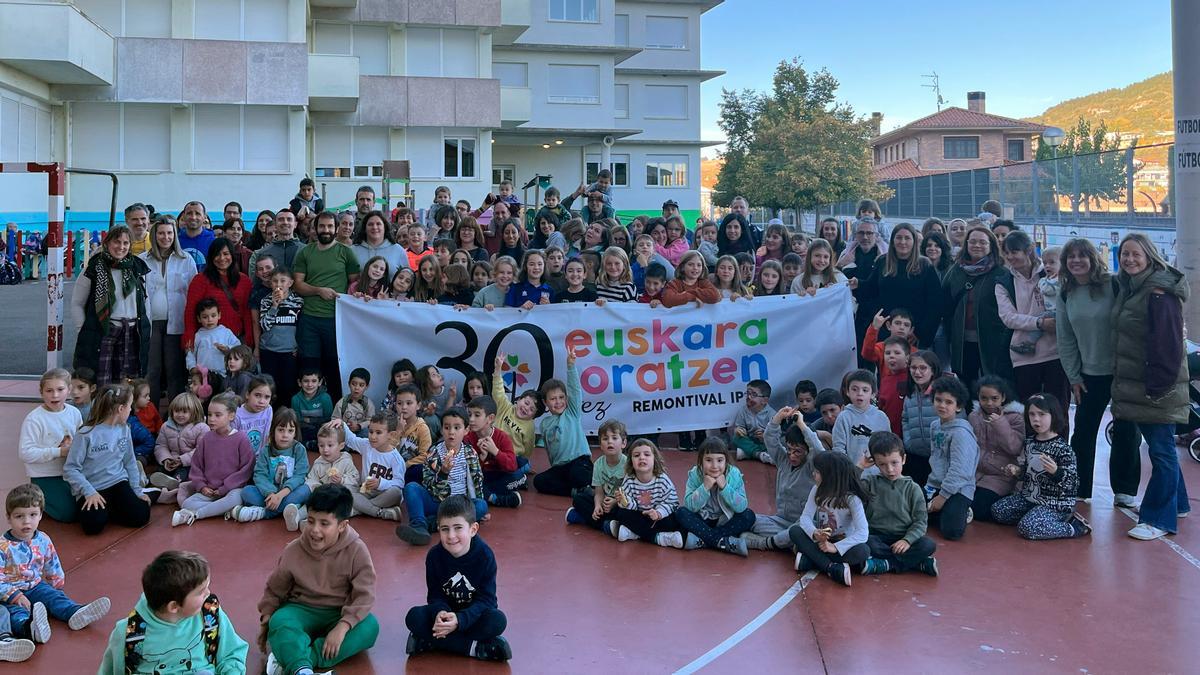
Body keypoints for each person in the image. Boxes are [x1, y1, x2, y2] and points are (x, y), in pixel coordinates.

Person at [1112, 233, 1191, 540]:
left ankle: (1158, 518)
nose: (1129, 259)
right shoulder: (1132, 288)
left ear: (1150, 256)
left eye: (1136, 254)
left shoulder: (1159, 292)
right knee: (1161, 448)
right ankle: (1180, 503)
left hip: (1156, 386)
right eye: (1125, 254)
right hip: (1139, 385)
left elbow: (1169, 344)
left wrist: (1158, 386)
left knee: (1161, 451)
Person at [259, 484, 380, 675]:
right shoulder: (293, 549)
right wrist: (267, 619)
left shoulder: (357, 550)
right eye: (311, 520)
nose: (314, 530)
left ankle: (299, 662)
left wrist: (343, 627)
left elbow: (364, 596)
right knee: (280, 621)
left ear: (342, 525)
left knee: (370, 627)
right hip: (300, 609)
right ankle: (302, 669)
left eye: (324, 524)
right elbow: (275, 589)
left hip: (338, 612)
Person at [1055, 238, 1140, 506]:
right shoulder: (1065, 293)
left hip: (1122, 370)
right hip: (1089, 374)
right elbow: (1065, 337)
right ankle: (1079, 488)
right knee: (1083, 430)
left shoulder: (1114, 284)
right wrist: (1074, 376)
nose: (1076, 261)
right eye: (1071, 256)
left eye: (1082, 255)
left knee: (1126, 429)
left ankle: (1125, 490)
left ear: (1093, 258)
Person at [1, 483, 111, 652]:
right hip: (9, 593)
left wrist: (56, 586)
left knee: (53, 597)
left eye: (32, 514)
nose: (26, 521)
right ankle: (29, 628)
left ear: (40, 515)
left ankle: (74, 612)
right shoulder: (3, 546)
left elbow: (52, 562)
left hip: (35, 586)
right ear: (9, 518)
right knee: (16, 612)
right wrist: (14, 596)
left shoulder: (43, 539)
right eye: (19, 516)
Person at [98, 550, 247, 674]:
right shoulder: (129, 632)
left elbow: (231, 654)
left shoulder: (209, 613)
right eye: (201, 591)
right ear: (174, 607)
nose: (208, 593)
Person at [405, 496, 511, 662]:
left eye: (458, 528)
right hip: (445, 615)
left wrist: (460, 620)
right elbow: (435, 596)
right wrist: (440, 613)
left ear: (473, 529)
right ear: (438, 529)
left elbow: (487, 600)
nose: (451, 536)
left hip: (472, 617)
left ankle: (432, 642)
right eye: (445, 529)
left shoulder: (485, 556)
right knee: (414, 617)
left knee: (497, 621)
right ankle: (474, 648)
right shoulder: (434, 556)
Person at [989, 393, 1090, 540]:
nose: (1036, 419)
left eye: (1042, 414)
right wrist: (1017, 471)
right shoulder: (1030, 442)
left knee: (1027, 528)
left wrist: (1057, 472)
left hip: (1055, 504)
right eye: (1032, 414)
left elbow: (1073, 484)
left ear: (1053, 415)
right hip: (1030, 499)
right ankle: (1037, 518)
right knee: (998, 511)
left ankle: (1073, 527)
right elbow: (1028, 473)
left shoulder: (1062, 448)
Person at [62, 384, 152, 535]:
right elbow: (70, 469)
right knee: (92, 527)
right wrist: (89, 492)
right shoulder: (86, 434)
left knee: (141, 515)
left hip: (118, 482)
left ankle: (119, 505)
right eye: (130, 406)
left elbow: (129, 462)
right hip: (93, 487)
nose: (131, 410)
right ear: (120, 409)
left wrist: (136, 491)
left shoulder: (124, 429)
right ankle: (109, 509)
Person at [996, 230, 1070, 405]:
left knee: (1058, 407)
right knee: (1029, 409)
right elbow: (1008, 318)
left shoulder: (1051, 272)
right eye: (1007, 253)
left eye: (1015, 252)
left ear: (1029, 249)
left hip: (1057, 353)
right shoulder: (1003, 282)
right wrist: (1039, 323)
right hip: (1024, 355)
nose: (1010, 257)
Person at [71, 226, 151, 387]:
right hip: (104, 331)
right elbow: (77, 303)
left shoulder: (136, 267)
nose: (121, 247)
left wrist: (146, 327)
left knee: (128, 381)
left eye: (125, 243)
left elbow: (145, 301)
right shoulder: (94, 268)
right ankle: (100, 411)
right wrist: (83, 329)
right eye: (117, 242)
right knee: (102, 379)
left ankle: (125, 412)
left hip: (132, 331)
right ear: (107, 243)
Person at [294, 211, 360, 402]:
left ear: (336, 228)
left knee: (335, 367)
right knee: (310, 367)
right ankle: (308, 410)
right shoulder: (305, 252)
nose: (326, 230)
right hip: (309, 319)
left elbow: (354, 285)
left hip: (336, 320)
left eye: (330, 226)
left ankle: (335, 410)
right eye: (322, 226)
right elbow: (298, 284)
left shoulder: (346, 252)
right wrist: (318, 290)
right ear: (315, 228)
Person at [396, 408, 488, 546]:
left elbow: (477, 482)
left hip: (460, 505)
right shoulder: (433, 453)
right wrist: (443, 473)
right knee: (411, 488)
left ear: (466, 430)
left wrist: (479, 503)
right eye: (447, 427)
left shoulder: (470, 454)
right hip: (437, 502)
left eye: (457, 428)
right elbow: (429, 486)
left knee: (481, 505)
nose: (451, 432)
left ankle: (430, 525)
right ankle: (419, 525)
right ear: (441, 430)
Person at [858, 432, 939, 576]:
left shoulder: (913, 489)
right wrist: (860, 467)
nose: (889, 469)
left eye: (894, 462)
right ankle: (915, 562)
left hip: (903, 537)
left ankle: (887, 564)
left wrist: (907, 540)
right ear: (875, 463)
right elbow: (847, 489)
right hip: (876, 536)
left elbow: (920, 522)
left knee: (928, 545)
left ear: (904, 459)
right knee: (865, 543)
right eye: (882, 464)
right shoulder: (869, 483)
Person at [941, 225, 1013, 385]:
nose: (977, 245)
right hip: (961, 342)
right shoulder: (955, 271)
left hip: (992, 341)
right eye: (972, 241)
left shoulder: (1001, 274)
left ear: (991, 246)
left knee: (994, 385)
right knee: (966, 386)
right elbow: (945, 304)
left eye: (982, 242)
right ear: (966, 244)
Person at [172, 393, 255, 527]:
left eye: (217, 415)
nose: (211, 419)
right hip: (209, 491)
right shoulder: (206, 438)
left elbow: (246, 469)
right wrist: (202, 486)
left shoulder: (241, 439)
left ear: (231, 416)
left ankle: (197, 514)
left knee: (237, 497)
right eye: (209, 415)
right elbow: (196, 465)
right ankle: (222, 510)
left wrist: (225, 487)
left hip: (231, 490)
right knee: (187, 503)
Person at [789, 452, 869, 587]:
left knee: (863, 551)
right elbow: (805, 517)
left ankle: (811, 560)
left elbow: (862, 533)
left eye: (818, 472)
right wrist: (814, 533)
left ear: (831, 476)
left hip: (843, 543)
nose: (813, 474)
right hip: (821, 540)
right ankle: (832, 568)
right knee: (795, 531)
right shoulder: (817, 490)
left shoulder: (852, 499)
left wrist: (835, 547)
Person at [857, 222, 942, 348]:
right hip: (886, 330)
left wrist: (919, 332)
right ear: (892, 241)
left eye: (907, 238)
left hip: (913, 333)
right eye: (899, 237)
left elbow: (935, 305)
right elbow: (871, 291)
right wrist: (857, 284)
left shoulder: (925, 266)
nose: (903, 242)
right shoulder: (882, 262)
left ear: (914, 241)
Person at [141, 218, 197, 406]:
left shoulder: (185, 259)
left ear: (175, 235)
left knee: (175, 370)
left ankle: (176, 412)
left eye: (170, 233)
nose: (166, 237)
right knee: (152, 370)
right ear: (154, 235)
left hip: (177, 322)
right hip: (151, 323)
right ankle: (151, 413)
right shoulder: (142, 259)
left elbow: (193, 291)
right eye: (161, 233)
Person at [19, 369, 84, 523]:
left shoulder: (74, 413)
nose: (55, 395)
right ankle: (38, 496)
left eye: (60, 390)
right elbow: (25, 453)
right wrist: (60, 452)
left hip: (71, 471)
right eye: (49, 390)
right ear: (41, 392)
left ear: (68, 390)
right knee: (69, 514)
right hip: (46, 476)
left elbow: (82, 438)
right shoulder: (34, 419)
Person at [675, 438, 754, 556]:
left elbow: (741, 506)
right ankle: (723, 541)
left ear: (726, 461)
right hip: (702, 520)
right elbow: (689, 506)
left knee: (748, 515)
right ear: (700, 461)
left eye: (719, 460)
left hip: (725, 520)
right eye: (708, 460)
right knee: (681, 512)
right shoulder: (695, 474)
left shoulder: (734, 474)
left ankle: (703, 540)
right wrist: (704, 487)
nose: (714, 466)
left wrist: (725, 487)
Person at [532, 349, 592, 496]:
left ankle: (585, 487)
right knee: (539, 481)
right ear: (545, 402)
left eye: (561, 397)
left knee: (578, 474)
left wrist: (570, 366)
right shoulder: (545, 424)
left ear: (566, 398)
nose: (558, 402)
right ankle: (574, 491)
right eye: (553, 399)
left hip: (579, 462)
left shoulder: (572, 413)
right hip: (560, 467)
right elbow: (550, 450)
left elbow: (575, 389)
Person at [603, 440, 684, 548]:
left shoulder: (662, 480)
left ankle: (635, 533)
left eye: (647, 454)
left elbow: (673, 502)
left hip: (658, 518)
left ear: (654, 459)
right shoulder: (629, 480)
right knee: (621, 513)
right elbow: (632, 506)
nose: (642, 458)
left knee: (674, 520)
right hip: (638, 515)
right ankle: (659, 538)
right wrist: (624, 501)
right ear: (631, 461)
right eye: (636, 455)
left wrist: (658, 513)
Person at [926, 376, 977, 541]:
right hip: (935, 484)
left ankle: (961, 509)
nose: (942, 405)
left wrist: (943, 497)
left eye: (949, 402)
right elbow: (936, 457)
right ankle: (942, 510)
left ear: (958, 406)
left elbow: (960, 470)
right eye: (938, 400)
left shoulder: (961, 433)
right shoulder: (935, 426)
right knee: (909, 517)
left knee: (952, 532)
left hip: (959, 488)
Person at [183, 238, 254, 356]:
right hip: (208, 342)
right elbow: (191, 311)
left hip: (236, 340)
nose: (222, 258)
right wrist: (189, 340)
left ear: (232, 255)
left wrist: (249, 340)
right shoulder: (200, 280)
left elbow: (247, 313)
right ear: (211, 257)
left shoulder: (244, 280)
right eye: (217, 254)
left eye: (226, 254)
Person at [968, 375, 1025, 522]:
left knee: (978, 509)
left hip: (1001, 475)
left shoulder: (1015, 418)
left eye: (994, 398)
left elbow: (1014, 448)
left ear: (1003, 397)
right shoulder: (974, 416)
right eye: (984, 398)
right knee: (963, 501)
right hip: (976, 474)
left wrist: (1000, 422)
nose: (989, 403)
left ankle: (1011, 501)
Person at [288, 423, 360, 531]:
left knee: (343, 507)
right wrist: (316, 487)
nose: (325, 450)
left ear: (341, 445)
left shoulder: (346, 461)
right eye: (321, 446)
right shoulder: (318, 463)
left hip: (339, 499)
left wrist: (342, 480)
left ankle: (307, 523)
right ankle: (296, 516)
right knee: (312, 502)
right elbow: (311, 479)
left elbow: (355, 479)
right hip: (324, 497)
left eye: (330, 445)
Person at [565, 419, 628, 529]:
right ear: (601, 445)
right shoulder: (598, 464)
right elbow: (598, 492)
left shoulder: (628, 465)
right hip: (605, 502)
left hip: (620, 503)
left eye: (614, 438)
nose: (610, 442)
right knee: (579, 499)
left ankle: (582, 518)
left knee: (626, 512)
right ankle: (606, 525)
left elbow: (631, 493)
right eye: (605, 439)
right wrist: (598, 506)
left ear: (623, 443)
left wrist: (614, 502)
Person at [254, 268, 303, 405]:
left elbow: (302, 327)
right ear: (270, 283)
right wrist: (275, 306)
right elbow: (264, 325)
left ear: (290, 283)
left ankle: (286, 419)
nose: (278, 284)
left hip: (288, 352)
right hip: (269, 350)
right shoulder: (265, 301)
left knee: (288, 387)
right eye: (275, 281)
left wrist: (298, 346)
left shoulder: (298, 301)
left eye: (282, 281)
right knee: (270, 388)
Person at [148, 392, 208, 502]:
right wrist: (166, 459)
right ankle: (150, 481)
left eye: (185, 411)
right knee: (160, 470)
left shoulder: (201, 428)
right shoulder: (166, 426)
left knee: (183, 474)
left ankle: (173, 485)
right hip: (172, 460)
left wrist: (182, 460)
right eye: (177, 411)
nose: (180, 415)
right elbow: (161, 445)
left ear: (194, 411)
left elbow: (201, 450)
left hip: (190, 464)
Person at [465, 396, 522, 509]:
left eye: (477, 415)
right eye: (469, 414)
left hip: (500, 476)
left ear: (490, 418)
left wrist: (495, 451)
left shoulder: (502, 437)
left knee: (517, 475)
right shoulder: (467, 439)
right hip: (482, 478)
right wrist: (481, 459)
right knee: (471, 485)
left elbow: (512, 466)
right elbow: (469, 473)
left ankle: (490, 496)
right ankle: (496, 499)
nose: (471, 419)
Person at [830, 370, 891, 465]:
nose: (859, 393)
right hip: (853, 472)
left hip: (878, 473)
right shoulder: (843, 417)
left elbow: (888, 446)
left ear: (873, 394)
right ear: (847, 392)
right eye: (854, 389)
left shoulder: (881, 417)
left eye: (865, 390)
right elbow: (838, 447)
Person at [899, 351, 941, 486]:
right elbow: (905, 419)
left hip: (938, 458)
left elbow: (956, 421)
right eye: (913, 368)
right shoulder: (910, 395)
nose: (917, 372)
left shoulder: (943, 393)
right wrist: (908, 441)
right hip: (915, 456)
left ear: (933, 370)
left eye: (923, 368)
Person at [185, 299, 240, 376]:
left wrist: (227, 349)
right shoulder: (198, 335)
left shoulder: (226, 332)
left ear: (219, 315)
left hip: (223, 374)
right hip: (203, 375)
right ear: (199, 319)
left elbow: (238, 347)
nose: (210, 320)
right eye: (205, 317)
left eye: (213, 316)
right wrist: (192, 367)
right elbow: (191, 354)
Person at [730, 379, 776, 463]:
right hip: (750, 440)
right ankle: (759, 454)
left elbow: (775, 434)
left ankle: (749, 453)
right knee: (736, 438)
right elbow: (739, 427)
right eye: (747, 393)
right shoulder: (743, 411)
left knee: (775, 441)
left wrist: (765, 436)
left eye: (754, 394)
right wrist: (738, 430)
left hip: (763, 443)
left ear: (764, 400)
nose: (749, 397)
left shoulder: (772, 414)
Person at [351, 210, 408, 276]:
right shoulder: (353, 250)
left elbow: (407, 278)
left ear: (385, 227)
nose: (374, 227)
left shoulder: (398, 250)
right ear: (365, 228)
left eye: (378, 224)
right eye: (370, 224)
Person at [291, 369, 333, 446]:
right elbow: (297, 420)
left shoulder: (325, 398)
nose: (310, 385)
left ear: (320, 382)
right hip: (304, 429)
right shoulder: (295, 399)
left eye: (314, 381)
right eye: (306, 381)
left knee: (332, 431)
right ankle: (310, 444)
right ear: (299, 383)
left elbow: (328, 419)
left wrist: (309, 420)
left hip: (321, 428)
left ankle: (312, 444)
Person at [176, 202, 214, 270]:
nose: (193, 217)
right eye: (189, 213)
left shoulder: (213, 240)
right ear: (183, 216)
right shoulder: (175, 239)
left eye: (197, 213)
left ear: (204, 217)